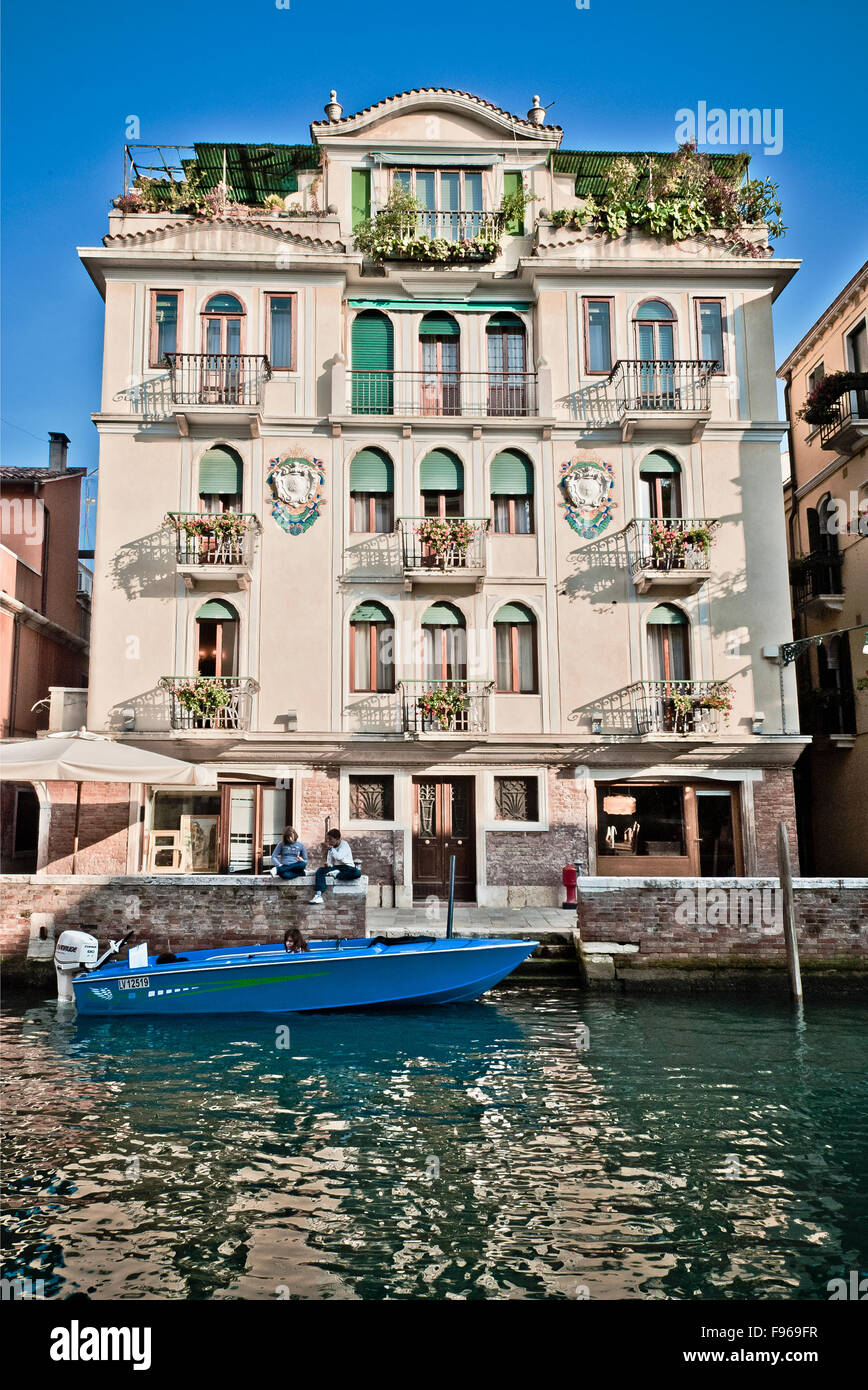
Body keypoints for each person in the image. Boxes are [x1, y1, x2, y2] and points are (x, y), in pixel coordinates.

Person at [310, 829, 361, 905]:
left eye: (330, 839)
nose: (329, 841)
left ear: (337, 839)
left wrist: (331, 849)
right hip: (337, 867)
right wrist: (328, 865)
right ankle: (318, 895)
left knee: (357, 873)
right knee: (320, 870)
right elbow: (330, 862)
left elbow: (339, 857)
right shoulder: (331, 848)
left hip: (347, 867)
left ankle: (336, 874)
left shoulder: (344, 844)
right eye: (328, 839)